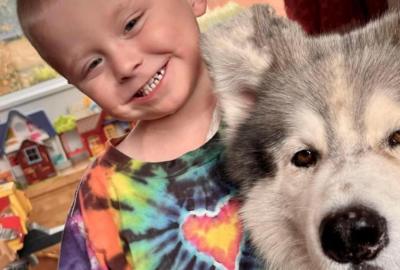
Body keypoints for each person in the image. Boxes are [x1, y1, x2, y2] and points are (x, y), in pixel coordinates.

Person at [16, 0, 264, 269]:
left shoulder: (281, 91)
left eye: (131, 24)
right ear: (75, 83)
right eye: (93, 64)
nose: (124, 65)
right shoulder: (102, 200)